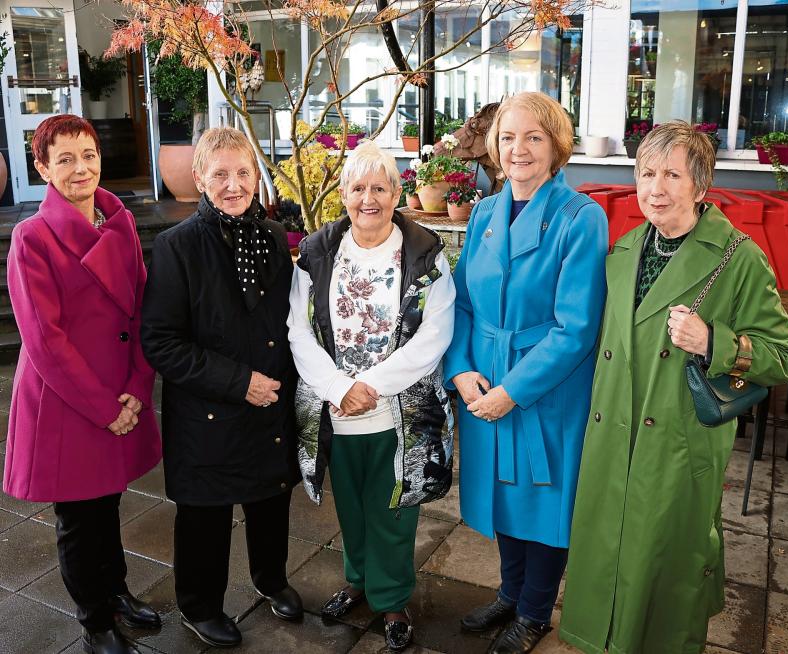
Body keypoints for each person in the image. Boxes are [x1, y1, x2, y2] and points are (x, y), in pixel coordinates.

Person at [559, 121, 788, 654]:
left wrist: (716, 340)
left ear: (700, 184)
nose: (656, 187)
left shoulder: (739, 258)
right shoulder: (622, 253)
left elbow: (785, 357)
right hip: (609, 442)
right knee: (606, 565)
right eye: (646, 173)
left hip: (676, 443)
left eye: (672, 174)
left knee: (665, 574)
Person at [444, 92, 608, 654]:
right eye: (509, 137)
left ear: (557, 147)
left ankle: (535, 611)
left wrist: (514, 392)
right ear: (495, 146)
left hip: (545, 386)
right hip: (484, 378)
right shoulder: (486, 212)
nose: (520, 149)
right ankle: (510, 594)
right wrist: (462, 370)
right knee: (502, 494)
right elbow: (462, 302)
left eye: (534, 137)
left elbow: (576, 329)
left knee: (543, 500)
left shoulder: (581, 218)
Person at [288, 140, 456, 652]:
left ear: (396, 193)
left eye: (379, 187)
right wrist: (339, 388)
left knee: (393, 509)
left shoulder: (425, 254)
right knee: (353, 507)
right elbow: (299, 330)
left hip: (394, 411)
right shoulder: (316, 253)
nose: (369, 198)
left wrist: (370, 386)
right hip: (336, 410)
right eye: (358, 187)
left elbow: (436, 333)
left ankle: (393, 598)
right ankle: (358, 581)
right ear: (343, 194)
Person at [3, 114, 162, 654]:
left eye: (88, 155)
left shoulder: (118, 221)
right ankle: (95, 620)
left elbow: (142, 312)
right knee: (78, 516)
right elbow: (44, 340)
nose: (80, 169)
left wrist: (139, 387)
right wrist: (104, 406)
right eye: (64, 159)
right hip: (69, 399)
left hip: (120, 390)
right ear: (42, 168)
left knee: (109, 502)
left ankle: (115, 593)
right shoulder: (31, 238)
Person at [140, 127, 302, 649]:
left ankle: (270, 578)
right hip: (208, 410)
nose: (234, 185)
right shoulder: (176, 246)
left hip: (269, 402)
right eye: (221, 175)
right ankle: (200, 605)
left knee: (271, 502)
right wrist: (239, 382)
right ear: (199, 178)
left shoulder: (275, 236)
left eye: (243, 173)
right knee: (205, 516)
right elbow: (160, 342)